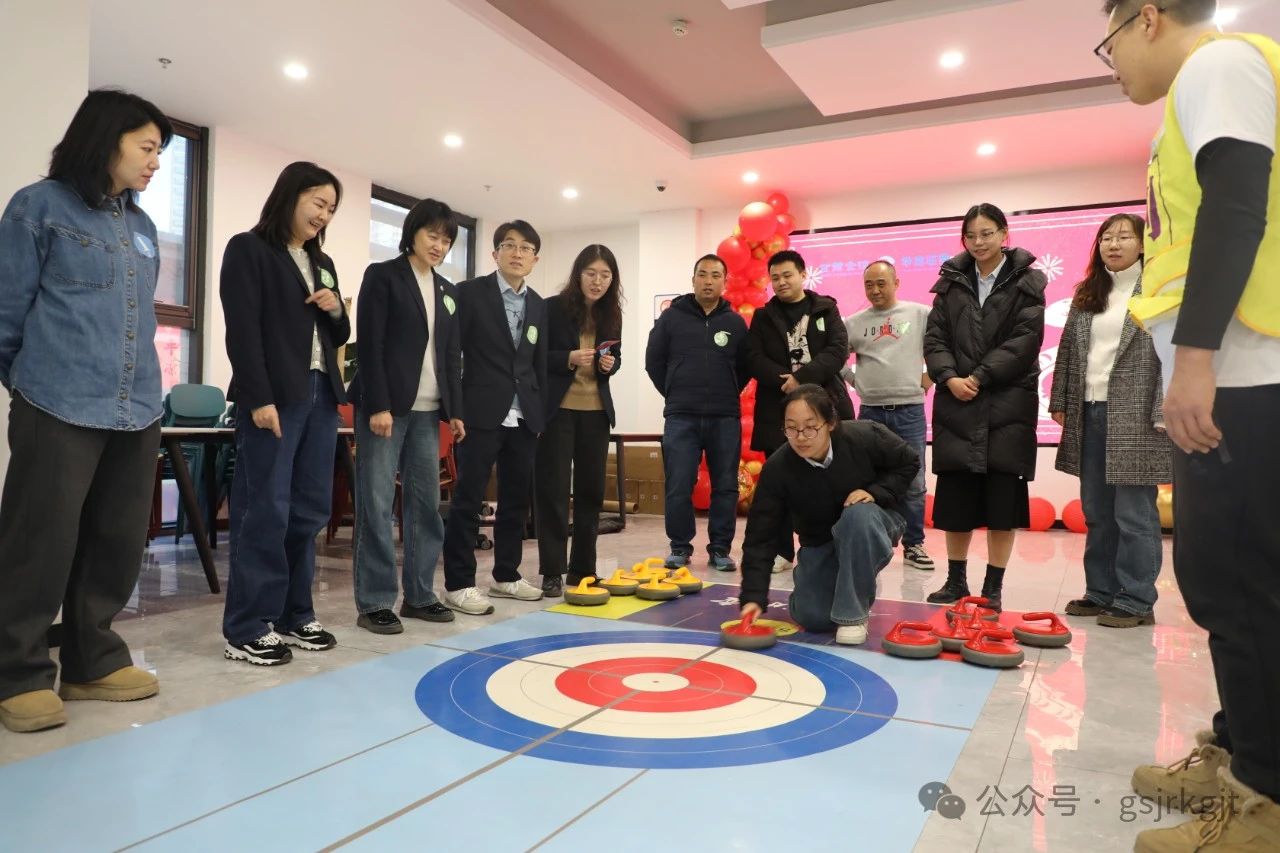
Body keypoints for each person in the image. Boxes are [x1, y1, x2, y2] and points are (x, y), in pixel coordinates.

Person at [1098, 1, 1280, 847]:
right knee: (1228, 580)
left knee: (1238, 585)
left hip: (1245, 371)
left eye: (1108, 44)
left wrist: (1197, 356)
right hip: (1235, 370)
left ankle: (1263, 802)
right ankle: (1240, 750)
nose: (1112, 63)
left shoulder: (1218, 65)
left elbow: (1238, 206)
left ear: (1146, 17)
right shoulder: (1210, 82)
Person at [0, 89, 171, 732]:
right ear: (106, 139)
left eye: (160, 151)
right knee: (39, 541)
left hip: (137, 407)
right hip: (58, 400)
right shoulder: (38, 206)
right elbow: (5, 314)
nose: (155, 162)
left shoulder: (144, 227)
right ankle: (16, 672)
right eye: (147, 147)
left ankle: (91, 661)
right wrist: (30, 386)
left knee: (115, 541)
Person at [220, 161, 349, 665]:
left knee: (310, 508)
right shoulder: (249, 249)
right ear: (290, 196)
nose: (324, 215)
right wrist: (258, 397)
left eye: (331, 208)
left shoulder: (323, 261)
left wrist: (336, 308)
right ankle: (247, 625)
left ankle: (296, 614)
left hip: (321, 395)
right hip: (275, 396)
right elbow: (242, 330)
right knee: (265, 509)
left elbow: (339, 334)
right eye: (318, 202)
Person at [1048, 213, 1171, 628]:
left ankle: (1136, 599)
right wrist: (1061, 400)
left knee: (1134, 515)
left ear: (1143, 244)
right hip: (1090, 411)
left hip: (1137, 416)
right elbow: (1068, 350)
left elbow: (1169, 355)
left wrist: (1161, 409)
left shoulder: (1156, 291)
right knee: (1097, 511)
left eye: (1124, 237)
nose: (1113, 245)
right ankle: (1100, 592)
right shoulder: (1089, 292)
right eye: (1106, 238)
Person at [348, 198, 464, 634]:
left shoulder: (447, 290)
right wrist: (378, 404)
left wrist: (455, 411)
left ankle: (419, 595)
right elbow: (370, 344)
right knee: (377, 504)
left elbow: (450, 356)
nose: (439, 245)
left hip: (429, 411)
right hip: (388, 409)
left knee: (425, 507)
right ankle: (375, 601)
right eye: (432, 235)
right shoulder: (383, 276)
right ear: (412, 232)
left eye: (446, 240)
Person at [923, 203, 1047, 612]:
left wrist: (977, 377)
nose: (978, 242)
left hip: (1006, 405)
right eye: (971, 235)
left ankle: (993, 587)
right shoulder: (950, 283)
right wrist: (948, 377)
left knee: (1001, 505)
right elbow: (935, 338)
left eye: (987, 233)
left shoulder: (1026, 281)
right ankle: (956, 580)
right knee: (956, 502)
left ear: (1004, 234)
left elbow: (1024, 341)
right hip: (957, 404)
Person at [738, 385, 917, 645]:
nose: (801, 437)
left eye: (811, 427)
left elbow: (909, 461)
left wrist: (876, 492)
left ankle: (853, 616)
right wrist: (753, 595)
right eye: (791, 428)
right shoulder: (778, 468)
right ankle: (846, 573)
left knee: (857, 516)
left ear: (830, 423)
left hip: (874, 521)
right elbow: (760, 534)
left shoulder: (866, 436)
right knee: (812, 617)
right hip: (820, 539)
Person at [440, 221, 548, 615]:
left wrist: (539, 414)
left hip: (524, 416)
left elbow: (538, 364)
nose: (517, 253)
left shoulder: (538, 304)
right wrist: (454, 409)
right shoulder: (469, 293)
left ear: (535, 259)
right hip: (479, 412)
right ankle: (458, 584)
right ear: (495, 253)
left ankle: (506, 575)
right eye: (509, 245)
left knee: (516, 500)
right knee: (468, 499)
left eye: (526, 248)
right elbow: (451, 353)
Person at [746, 249, 853, 574]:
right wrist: (785, 382)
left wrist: (801, 378)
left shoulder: (825, 308)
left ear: (803, 275)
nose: (781, 282)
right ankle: (782, 550)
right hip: (777, 409)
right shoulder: (763, 316)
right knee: (778, 482)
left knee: (833, 480)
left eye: (787, 275)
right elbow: (754, 357)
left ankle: (835, 546)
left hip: (825, 404)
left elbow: (837, 350)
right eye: (775, 277)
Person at [645, 255, 750, 572]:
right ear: (693, 280)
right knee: (679, 483)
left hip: (724, 416)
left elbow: (744, 367)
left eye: (715, 275)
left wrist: (727, 390)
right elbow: (653, 361)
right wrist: (675, 391)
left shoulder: (735, 323)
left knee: (726, 485)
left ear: (724, 282)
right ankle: (679, 546)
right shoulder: (671, 318)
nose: (708, 281)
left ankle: (720, 549)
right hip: (681, 416)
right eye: (702, 274)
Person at [535, 245, 622, 597]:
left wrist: (610, 365)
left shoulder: (611, 314)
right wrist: (567, 358)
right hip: (559, 410)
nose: (597, 281)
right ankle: (552, 570)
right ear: (578, 274)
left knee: (591, 493)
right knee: (554, 490)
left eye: (605, 275)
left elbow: (615, 355)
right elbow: (534, 356)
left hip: (596, 412)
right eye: (591, 273)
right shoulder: (551, 308)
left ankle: (583, 569)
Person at [841, 259, 936, 572]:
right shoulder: (854, 322)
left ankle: (914, 544)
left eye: (881, 283)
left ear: (896, 283)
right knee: (867, 479)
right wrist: (855, 381)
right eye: (869, 284)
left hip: (910, 410)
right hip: (870, 411)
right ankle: (874, 540)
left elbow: (943, 348)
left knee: (914, 481)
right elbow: (834, 356)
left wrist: (930, 376)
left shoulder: (919, 314)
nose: (875, 290)